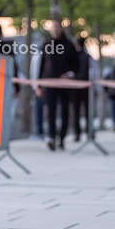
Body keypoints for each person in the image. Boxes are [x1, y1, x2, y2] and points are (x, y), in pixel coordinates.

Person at [39, 17, 77, 151]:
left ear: (61, 28)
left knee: (65, 111)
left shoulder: (69, 45)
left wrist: (70, 74)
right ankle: (51, 137)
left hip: (65, 84)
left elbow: (75, 65)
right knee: (51, 111)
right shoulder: (46, 45)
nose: (54, 29)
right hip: (49, 82)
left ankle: (61, 138)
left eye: (57, 27)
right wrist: (39, 84)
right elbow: (42, 65)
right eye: (52, 27)